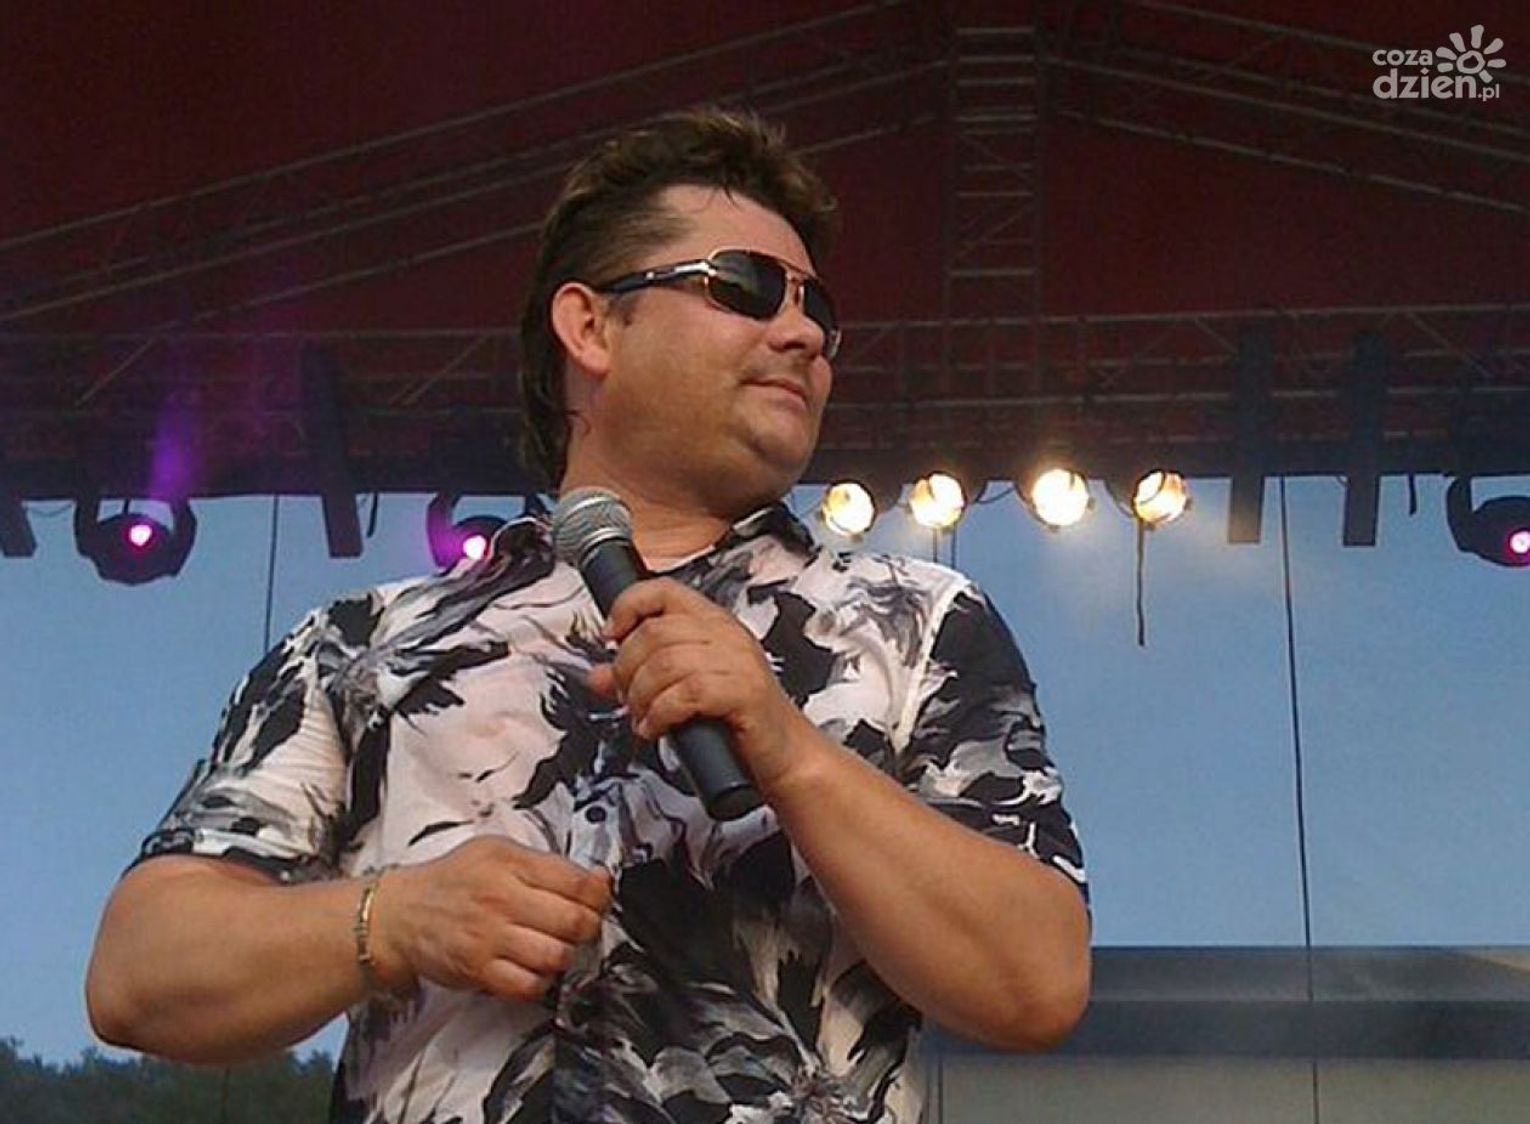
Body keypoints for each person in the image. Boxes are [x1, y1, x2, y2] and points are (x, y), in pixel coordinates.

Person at [86, 107, 1090, 1124]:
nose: (801, 335)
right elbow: (136, 973)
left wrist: (793, 754)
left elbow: (1039, 981)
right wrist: (392, 919)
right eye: (744, 287)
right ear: (592, 326)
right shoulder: (364, 642)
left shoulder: (918, 624)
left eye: (817, 310)